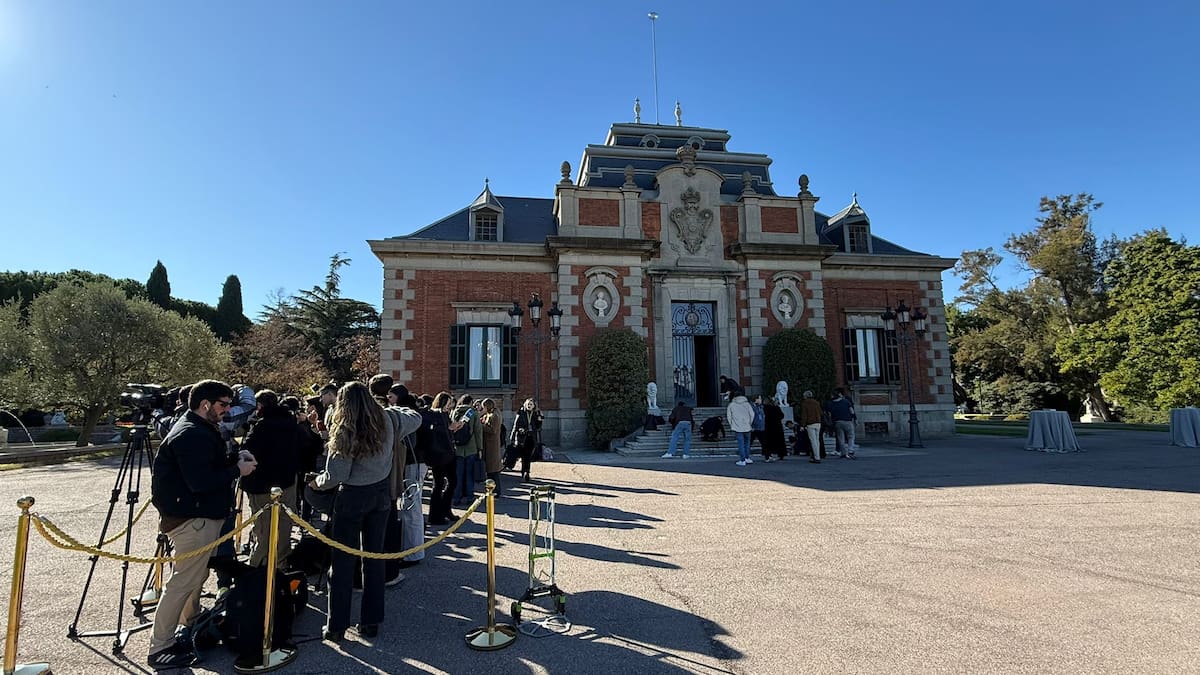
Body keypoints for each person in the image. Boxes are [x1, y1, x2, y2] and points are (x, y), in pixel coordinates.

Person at [148, 379, 257, 669]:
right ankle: (160, 647)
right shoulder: (190, 433)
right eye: (223, 404)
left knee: (191, 580)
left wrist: (235, 457)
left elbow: (207, 465)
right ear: (205, 404)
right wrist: (237, 469)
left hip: (198, 517)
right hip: (192, 519)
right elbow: (200, 481)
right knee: (182, 583)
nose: (228, 409)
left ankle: (189, 624)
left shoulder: (198, 428)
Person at [309, 382, 394, 642]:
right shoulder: (387, 419)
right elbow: (412, 418)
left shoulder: (345, 428)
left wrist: (315, 483)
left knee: (343, 563)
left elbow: (337, 475)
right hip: (381, 492)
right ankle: (371, 622)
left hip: (353, 496)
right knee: (374, 559)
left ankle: (336, 625)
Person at [238, 389, 300, 568]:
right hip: (287, 481)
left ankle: (259, 566)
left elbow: (248, 451)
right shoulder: (290, 422)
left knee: (264, 529)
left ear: (259, 406)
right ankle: (281, 564)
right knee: (284, 526)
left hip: (262, 484)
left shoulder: (261, 426)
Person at [388, 384, 426, 568]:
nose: (389, 400)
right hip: (417, 463)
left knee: (411, 509)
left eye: (391, 397)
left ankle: (413, 553)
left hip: (412, 463)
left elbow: (409, 442)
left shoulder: (407, 416)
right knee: (411, 508)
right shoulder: (413, 412)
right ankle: (411, 550)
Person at [427, 392, 459, 525]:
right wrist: (448, 427)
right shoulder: (435, 414)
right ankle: (435, 515)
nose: (450, 405)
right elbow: (435, 431)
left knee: (452, 482)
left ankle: (446, 508)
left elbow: (448, 431)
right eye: (448, 403)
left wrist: (454, 427)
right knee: (438, 484)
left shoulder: (446, 414)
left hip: (449, 452)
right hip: (439, 453)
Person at [450, 394, 483, 506]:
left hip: (457, 448)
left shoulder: (454, 412)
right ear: (470, 402)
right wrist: (480, 448)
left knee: (458, 475)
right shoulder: (473, 413)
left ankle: (457, 497)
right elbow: (478, 432)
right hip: (471, 448)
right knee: (469, 474)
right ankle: (470, 497)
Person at [510, 398, 543, 483]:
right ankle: (524, 471)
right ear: (525, 404)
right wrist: (512, 437)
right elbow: (515, 425)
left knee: (528, 456)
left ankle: (526, 472)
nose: (529, 406)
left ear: (534, 406)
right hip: (522, 437)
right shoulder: (521, 412)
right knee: (523, 455)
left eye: (531, 404)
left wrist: (539, 420)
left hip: (531, 438)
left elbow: (538, 428)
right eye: (528, 404)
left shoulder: (535, 413)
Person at [825, 388, 857, 459]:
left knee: (840, 438)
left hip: (837, 422)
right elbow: (852, 411)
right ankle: (850, 450)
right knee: (851, 436)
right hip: (848, 421)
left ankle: (843, 453)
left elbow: (829, 414)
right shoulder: (846, 401)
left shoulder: (830, 404)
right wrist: (853, 418)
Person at [479, 398, 504, 490]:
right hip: (490, 444)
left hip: (491, 444)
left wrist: (481, 426)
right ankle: (493, 489)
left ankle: (496, 490)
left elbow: (493, 430)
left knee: (493, 471)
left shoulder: (494, 416)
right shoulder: (492, 414)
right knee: (491, 471)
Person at [726, 389, 754, 466]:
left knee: (741, 443)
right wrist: (749, 423)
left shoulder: (731, 404)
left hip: (737, 426)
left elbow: (729, 416)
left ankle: (742, 460)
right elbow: (752, 414)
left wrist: (731, 424)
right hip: (747, 426)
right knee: (747, 443)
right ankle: (747, 457)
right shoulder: (747, 404)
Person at [799, 390, 824, 463]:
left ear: (805, 396)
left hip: (810, 423)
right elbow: (821, 413)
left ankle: (816, 457)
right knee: (817, 441)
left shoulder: (805, 403)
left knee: (813, 441)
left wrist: (802, 425)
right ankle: (817, 456)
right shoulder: (817, 403)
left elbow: (804, 415)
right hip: (818, 422)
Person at [761, 397, 787, 462]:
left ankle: (768, 454)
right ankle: (781, 454)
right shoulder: (776, 407)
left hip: (768, 427)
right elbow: (781, 415)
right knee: (779, 441)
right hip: (777, 426)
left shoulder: (765, 408)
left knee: (768, 442)